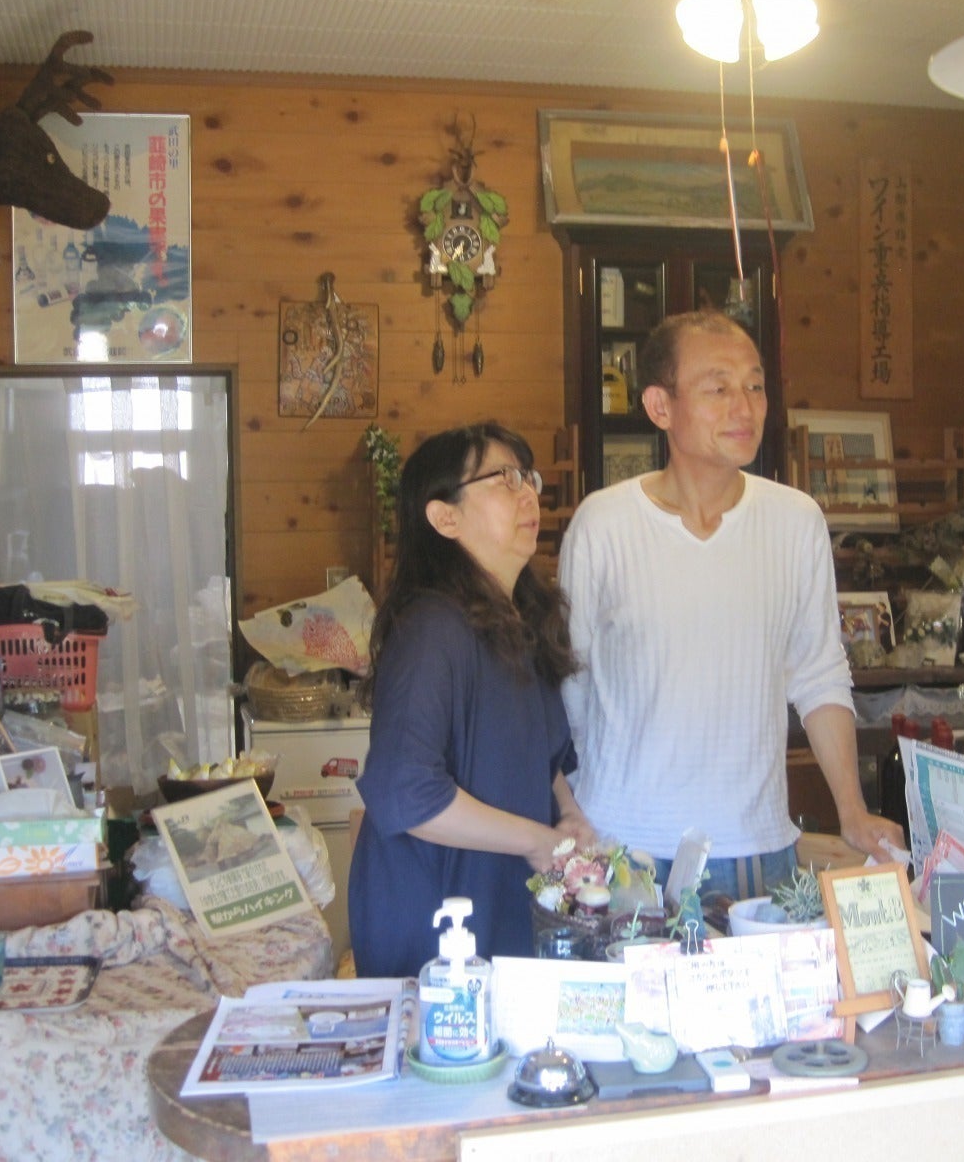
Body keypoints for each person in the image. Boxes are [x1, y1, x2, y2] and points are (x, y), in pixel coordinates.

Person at [559, 310, 904, 903]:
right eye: (718, 389)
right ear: (660, 407)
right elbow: (570, 682)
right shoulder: (603, 524)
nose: (744, 408)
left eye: (755, 386)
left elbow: (819, 673)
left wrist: (851, 808)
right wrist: (579, 810)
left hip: (755, 845)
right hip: (623, 848)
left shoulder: (796, 521)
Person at [349, 422, 593, 978]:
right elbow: (407, 791)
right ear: (445, 518)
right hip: (433, 919)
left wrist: (570, 816)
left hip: (502, 900)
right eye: (504, 479)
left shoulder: (520, 620)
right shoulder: (432, 629)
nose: (528, 494)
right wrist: (537, 841)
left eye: (527, 477)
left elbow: (547, 758)